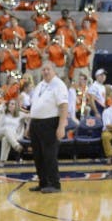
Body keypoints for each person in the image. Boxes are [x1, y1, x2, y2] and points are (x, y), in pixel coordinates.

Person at [29, 64, 68, 193]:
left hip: (50, 123)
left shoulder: (59, 85)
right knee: (38, 155)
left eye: (48, 69)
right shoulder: (40, 85)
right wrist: (30, 125)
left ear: (54, 70)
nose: (45, 72)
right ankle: (43, 182)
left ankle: (54, 184)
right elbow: (34, 106)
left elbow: (63, 106)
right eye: (43, 69)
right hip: (36, 123)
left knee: (49, 155)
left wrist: (61, 126)